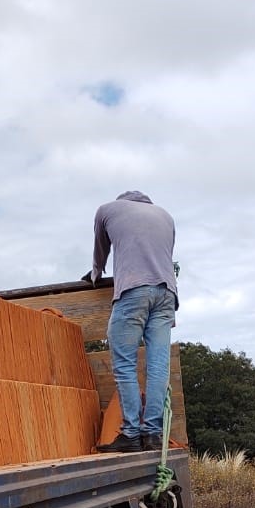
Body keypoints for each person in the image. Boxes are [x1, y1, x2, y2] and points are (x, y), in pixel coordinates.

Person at [85, 190, 177, 452]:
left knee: (124, 362)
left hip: (134, 289)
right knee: (158, 366)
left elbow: (100, 252)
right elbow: (164, 254)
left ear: (122, 201)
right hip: (167, 293)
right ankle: (153, 434)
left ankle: (131, 433)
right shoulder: (166, 216)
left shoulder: (107, 210)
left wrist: (95, 273)